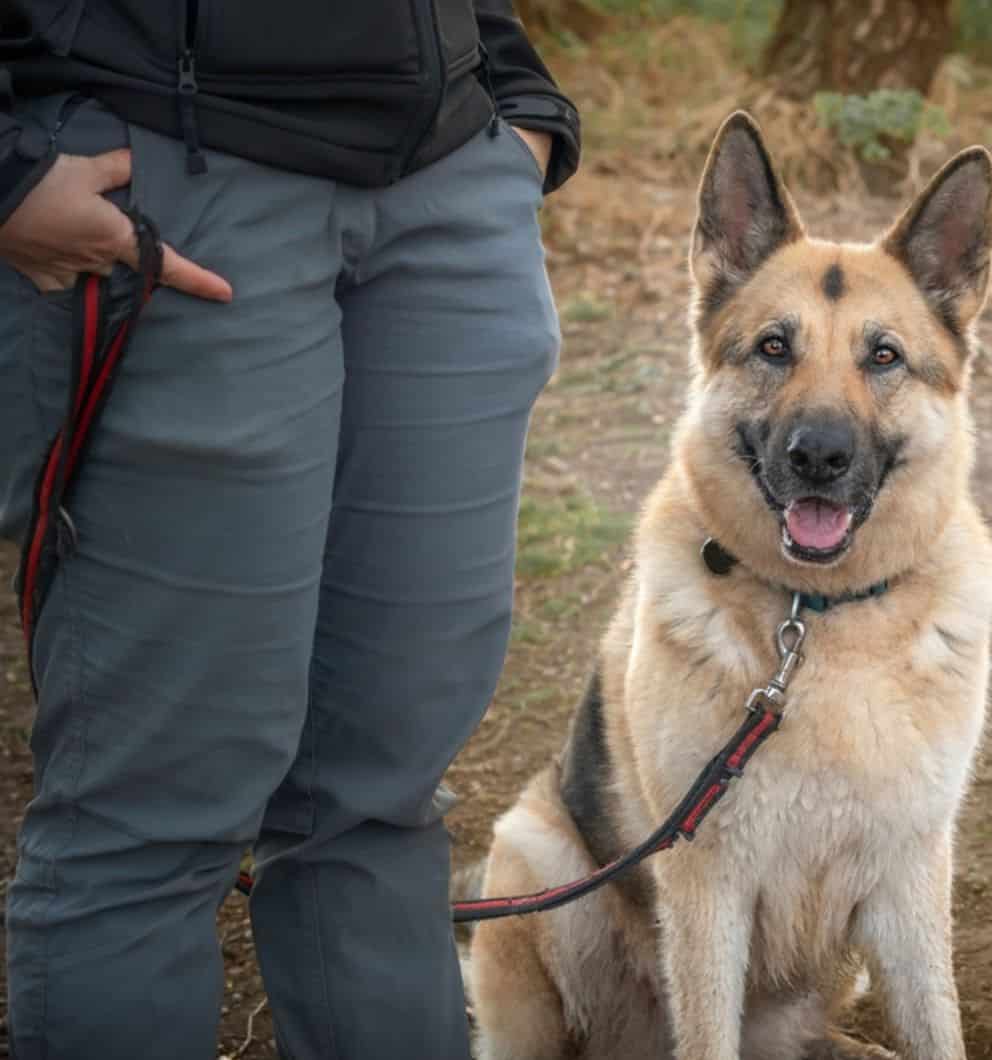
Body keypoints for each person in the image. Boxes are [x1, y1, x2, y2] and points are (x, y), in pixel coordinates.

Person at [0, 2, 578, 1056]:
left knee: (377, 798)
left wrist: (511, 96)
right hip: (169, 188)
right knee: (149, 821)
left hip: (446, 186)